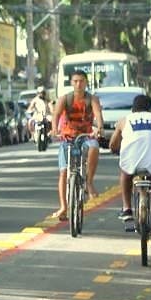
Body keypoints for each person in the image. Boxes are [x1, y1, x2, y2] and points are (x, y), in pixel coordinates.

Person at [109, 94, 151, 247]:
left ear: (133, 109)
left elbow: (113, 145)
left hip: (131, 163)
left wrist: (120, 150)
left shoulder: (124, 121)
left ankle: (127, 208)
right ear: (150, 108)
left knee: (125, 172)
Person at [50, 69, 104, 219]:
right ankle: (63, 207)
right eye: (75, 81)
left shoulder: (92, 99)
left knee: (94, 147)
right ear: (71, 83)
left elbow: (98, 115)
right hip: (67, 137)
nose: (78, 84)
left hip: (85, 136)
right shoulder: (64, 99)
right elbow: (55, 115)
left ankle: (89, 182)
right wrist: (54, 129)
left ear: (86, 83)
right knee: (64, 172)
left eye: (81, 81)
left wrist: (99, 128)